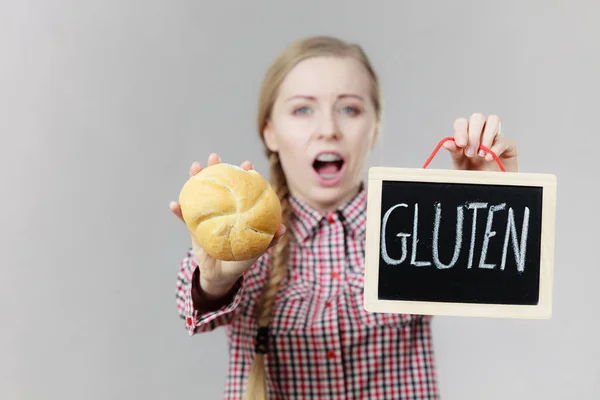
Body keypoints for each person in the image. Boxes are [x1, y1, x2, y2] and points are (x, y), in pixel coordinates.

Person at [170, 35, 518, 400]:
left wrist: (485, 201)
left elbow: (495, 283)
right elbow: (195, 311)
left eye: (349, 109)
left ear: (375, 130)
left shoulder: (415, 227)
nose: (329, 129)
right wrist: (213, 280)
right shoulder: (248, 237)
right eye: (303, 109)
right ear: (269, 132)